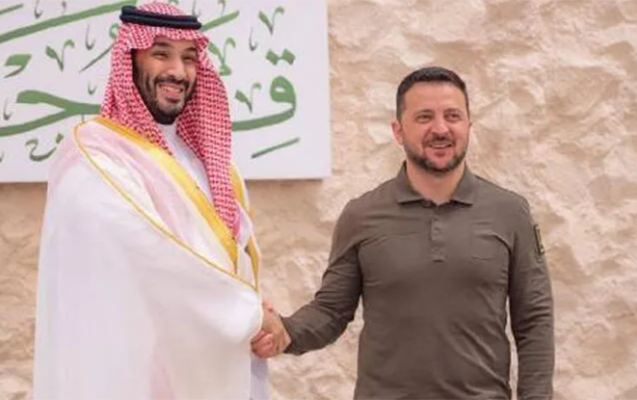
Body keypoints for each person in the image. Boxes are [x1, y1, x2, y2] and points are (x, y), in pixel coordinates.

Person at [252, 66, 555, 400]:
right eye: (424, 117)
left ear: (469, 125)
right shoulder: (361, 215)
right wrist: (286, 331)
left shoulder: (510, 212)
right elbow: (331, 311)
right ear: (398, 131)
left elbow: (534, 321)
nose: (441, 129)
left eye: (452, 116)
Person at [32, 3, 274, 400]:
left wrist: (258, 317)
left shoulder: (211, 163)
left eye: (189, 57)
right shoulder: (94, 158)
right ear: (130, 59)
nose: (177, 71)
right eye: (161, 54)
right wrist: (249, 315)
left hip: (211, 368)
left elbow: (233, 258)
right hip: (133, 376)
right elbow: (150, 258)